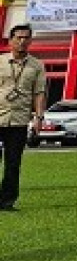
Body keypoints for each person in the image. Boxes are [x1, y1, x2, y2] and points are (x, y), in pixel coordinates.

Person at [0, 24, 45, 212]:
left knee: (13, 162)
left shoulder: (37, 65)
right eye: (18, 37)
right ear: (10, 40)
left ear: (31, 41)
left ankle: (7, 201)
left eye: (26, 38)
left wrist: (39, 118)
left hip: (19, 120)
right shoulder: (1, 61)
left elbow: (39, 93)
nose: (22, 41)